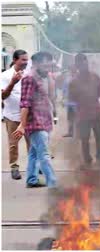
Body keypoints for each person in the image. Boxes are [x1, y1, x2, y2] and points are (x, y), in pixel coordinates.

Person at [12, 51, 57, 188]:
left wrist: (54, 115)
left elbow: (49, 98)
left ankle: (31, 179)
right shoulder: (29, 78)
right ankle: (53, 183)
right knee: (44, 154)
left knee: (33, 153)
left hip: (44, 120)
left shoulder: (43, 77)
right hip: (36, 123)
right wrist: (22, 125)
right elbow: (24, 103)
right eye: (45, 63)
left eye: (50, 63)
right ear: (36, 63)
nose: (48, 66)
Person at [69, 54, 100, 167]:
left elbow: (99, 93)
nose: (84, 65)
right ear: (77, 65)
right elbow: (72, 99)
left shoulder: (96, 77)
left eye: (85, 63)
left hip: (97, 113)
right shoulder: (73, 82)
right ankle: (87, 159)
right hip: (83, 115)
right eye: (81, 64)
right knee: (84, 139)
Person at [1, 49, 30, 180]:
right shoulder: (5, 76)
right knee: (13, 143)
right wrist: (13, 82)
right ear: (15, 60)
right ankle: (14, 167)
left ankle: (33, 166)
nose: (26, 62)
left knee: (32, 143)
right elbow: (3, 95)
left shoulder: (29, 73)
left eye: (27, 59)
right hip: (12, 115)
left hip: (28, 115)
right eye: (23, 59)